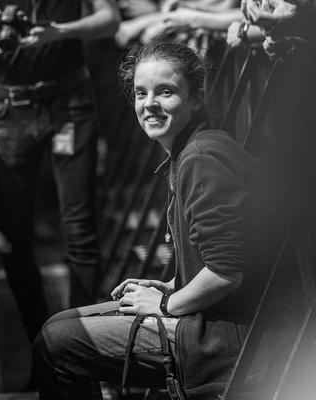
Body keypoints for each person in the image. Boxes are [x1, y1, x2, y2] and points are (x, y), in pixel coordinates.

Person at [33, 36, 271, 400]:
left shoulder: (201, 159)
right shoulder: (191, 151)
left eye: (166, 92)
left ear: (196, 98)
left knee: (57, 345)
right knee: (57, 326)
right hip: (210, 320)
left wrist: (163, 305)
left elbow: (227, 272)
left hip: (224, 341)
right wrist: (172, 286)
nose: (150, 104)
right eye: (141, 93)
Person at [0, 0, 120, 344]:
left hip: (71, 102)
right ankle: (42, 348)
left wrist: (60, 32)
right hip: (9, 109)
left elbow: (110, 19)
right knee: (15, 238)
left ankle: (79, 349)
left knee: (81, 230)